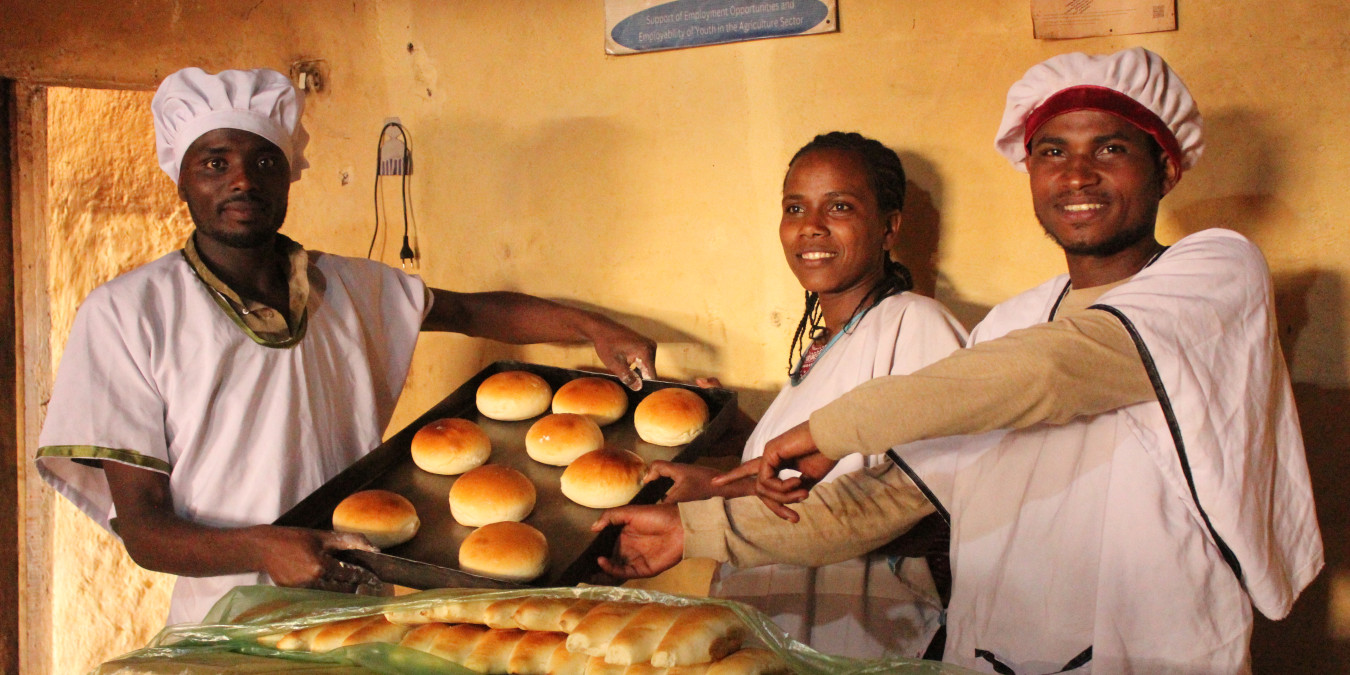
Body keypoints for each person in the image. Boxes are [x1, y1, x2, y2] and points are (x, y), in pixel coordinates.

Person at [594, 48, 1322, 673]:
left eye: (1110, 148)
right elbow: (887, 497)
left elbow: (1048, 372)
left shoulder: (1216, 273)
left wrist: (829, 428)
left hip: (1152, 648)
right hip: (999, 651)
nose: (1076, 175)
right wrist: (696, 530)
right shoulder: (1013, 319)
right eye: (1051, 152)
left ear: (1164, 167)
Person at [34, 67, 657, 625]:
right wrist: (263, 546)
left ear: (289, 176)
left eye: (264, 161)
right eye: (215, 162)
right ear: (180, 178)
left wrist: (592, 327)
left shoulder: (349, 288)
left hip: (359, 596)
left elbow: (471, 310)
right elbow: (146, 531)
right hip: (228, 619)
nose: (243, 180)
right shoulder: (127, 314)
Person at [641, 132, 966, 658]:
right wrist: (717, 474)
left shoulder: (915, 324)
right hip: (778, 629)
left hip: (864, 636)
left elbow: (928, 507)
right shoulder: (824, 343)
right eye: (796, 207)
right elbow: (796, 477)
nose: (811, 225)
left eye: (839, 206)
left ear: (889, 227)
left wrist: (709, 513)